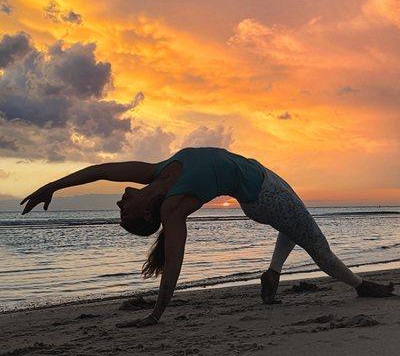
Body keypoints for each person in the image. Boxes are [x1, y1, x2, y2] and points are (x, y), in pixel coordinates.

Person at [20, 147, 395, 328]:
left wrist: (51, 186)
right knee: (316, 243)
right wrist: (156, 314)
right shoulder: (173, 208)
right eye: (124, 213)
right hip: (266, 195)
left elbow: (99, 170)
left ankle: (273, 273)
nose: (119, 202)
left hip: (265, 178)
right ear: (146, 214)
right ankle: (360, 285)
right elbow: (174, 263)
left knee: (294, 229)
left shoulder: (156, 171)